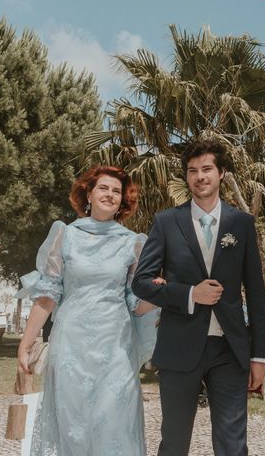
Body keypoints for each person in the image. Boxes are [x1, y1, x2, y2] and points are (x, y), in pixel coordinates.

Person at [132, 138, 265, 456]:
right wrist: (190, 294)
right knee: (175, 443)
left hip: (229, 350)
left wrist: (258, 356)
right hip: (179, 347)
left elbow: (257, 294)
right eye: (192, 170)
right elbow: (141, 282)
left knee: (233, 445)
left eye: (207, 169)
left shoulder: (242, 224)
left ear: (221, 173)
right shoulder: (166, 222)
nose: (200, 176)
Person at [15, 165, 158, 456]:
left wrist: (157, 295)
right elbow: (47, 295)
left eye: (117, 191)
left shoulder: (133, 244)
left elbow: (136, 303)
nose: (110, 194)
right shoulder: (64, 235)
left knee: (117, 422)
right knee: (73, 423)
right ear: (88, 194)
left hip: (116, 347)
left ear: (123, 201)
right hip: (71, 345)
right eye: (103, 188)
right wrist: (26, 342)